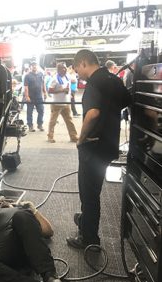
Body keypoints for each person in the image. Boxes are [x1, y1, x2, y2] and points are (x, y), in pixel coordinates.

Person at [66, 50, 131, 249]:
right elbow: (126, 103)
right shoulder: (114, 79)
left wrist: (81, 138)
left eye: (77, 69)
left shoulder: (94, 83)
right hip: (108, 146)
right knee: (95, 188)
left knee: (89, 195)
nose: (77, 73)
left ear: (84, 63)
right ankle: (86, 221)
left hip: (92, 147)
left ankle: (89, 239)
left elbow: (93, 113)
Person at [47, 63, 79, 143]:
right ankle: (50, 137)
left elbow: (68, 87)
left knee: (69, 121)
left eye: (65, 68)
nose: (64, 70)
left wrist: (70, 94)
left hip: (66, 103)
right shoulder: (55, 79)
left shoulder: (67, 77)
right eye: (62, 68)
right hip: (56, 104)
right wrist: (62, 90)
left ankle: (73, 137)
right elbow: (50, 90)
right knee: (53, 121)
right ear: (58, 70)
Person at [24, 61, 47, 132]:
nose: (34, 66)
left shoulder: (41, 74)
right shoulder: (27, 76)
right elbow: (26, 87)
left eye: (35, 65)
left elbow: (43, 84)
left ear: (37, 66)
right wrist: (27, 96)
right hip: (30, 97)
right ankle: (30, 126)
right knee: (29, 112)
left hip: (39, 97)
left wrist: (45, 92)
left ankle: (40, 124)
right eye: (33, 65)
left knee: (41, 110)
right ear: (31, 67)